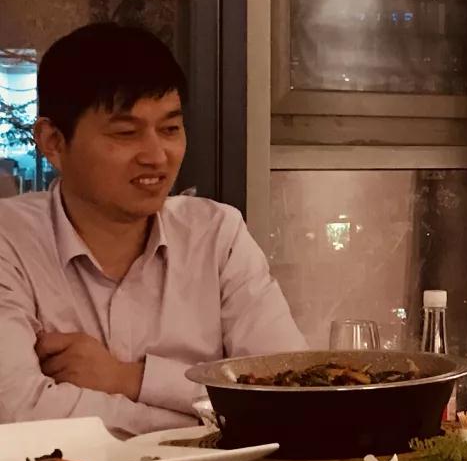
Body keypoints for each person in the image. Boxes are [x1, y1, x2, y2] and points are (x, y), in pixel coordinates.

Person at [0, 23, 308, 436]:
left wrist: (131, 378)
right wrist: (216, 424)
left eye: (170, 129)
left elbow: (289, 398)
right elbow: (17, 415)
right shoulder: (10, 241)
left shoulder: (218, 236)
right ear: (53, 141)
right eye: (126, 133)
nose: (157, 156)